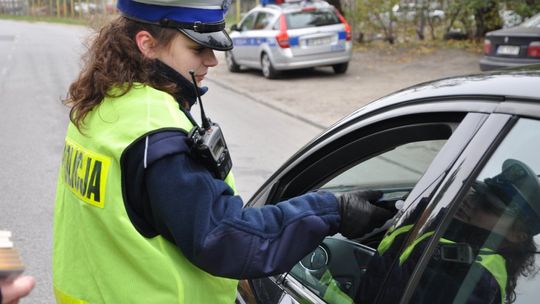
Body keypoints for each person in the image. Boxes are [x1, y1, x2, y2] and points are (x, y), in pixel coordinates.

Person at [52, 1, 394, 303]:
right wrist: (333, 209)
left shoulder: (103, 105)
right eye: (197, 48)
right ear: (147, 45)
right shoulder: (155, 133)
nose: (212, 60)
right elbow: (226, 237)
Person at [356, 159, 539, 304]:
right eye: (477, 194)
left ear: (517, 235)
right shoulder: (448, 235)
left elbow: (387, 294)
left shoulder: (474, 276)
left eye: (488, 205)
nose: (472, 203)